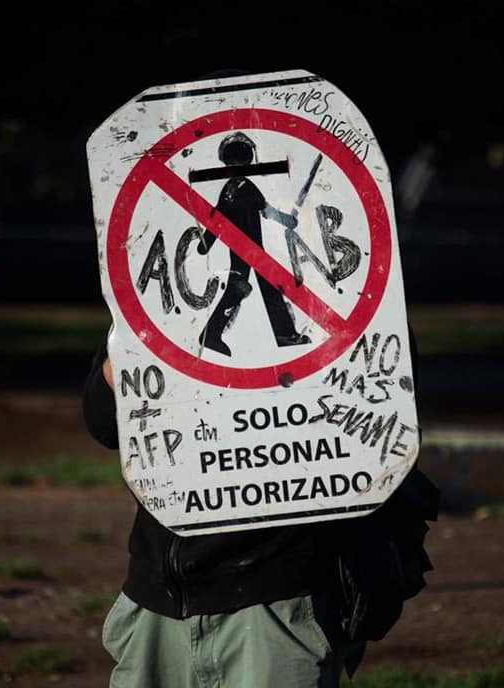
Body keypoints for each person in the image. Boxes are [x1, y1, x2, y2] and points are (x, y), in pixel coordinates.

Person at [82, 326, 439, 688]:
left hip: (279, 598)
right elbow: (104, 422)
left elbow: (382, 403)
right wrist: (136, 342)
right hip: (159, 601)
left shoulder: (339, 283)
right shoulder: (154, 286)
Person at [197, 132, 311, 356]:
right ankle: (283, 334)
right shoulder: (242, 188)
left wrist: (206, 245)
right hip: (250, 251)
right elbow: (265, 211)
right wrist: (287, 220)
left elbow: (217, 220)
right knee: (253, 289)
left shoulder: (230, 190)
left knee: (243, 289)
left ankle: (213, 334)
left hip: (246, 251)